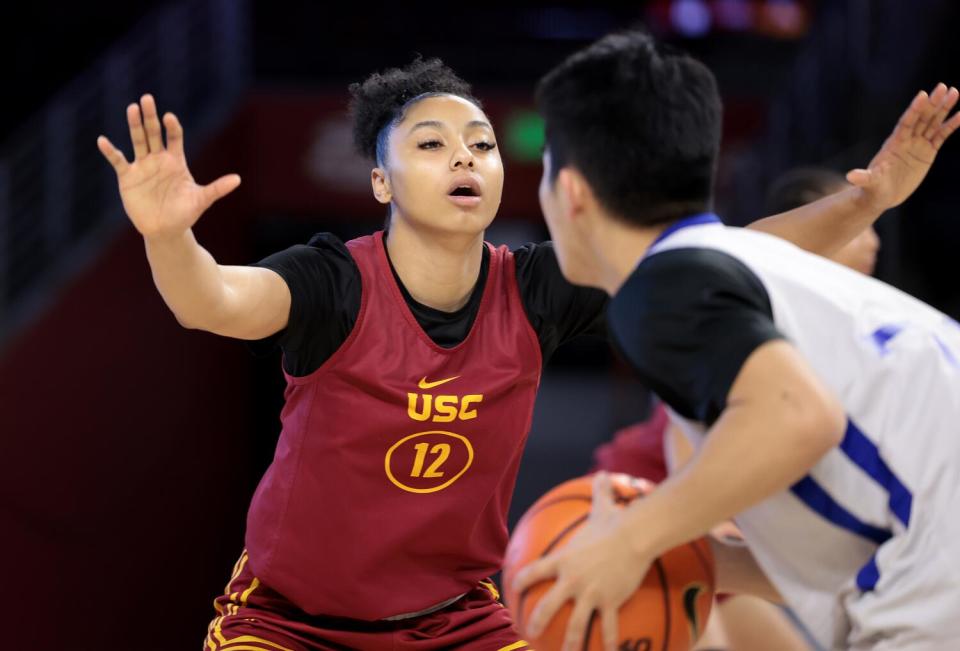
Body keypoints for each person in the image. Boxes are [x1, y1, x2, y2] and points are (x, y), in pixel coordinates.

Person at [96, 54, 939, 650]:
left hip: (458, 621)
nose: (464, 153)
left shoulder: (536, 287)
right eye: (430, 143)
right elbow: (211, 301)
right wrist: (171, 239)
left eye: (481, 144)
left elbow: (734, 249)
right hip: (291, 624)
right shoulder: (332, 281)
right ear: (381, 182)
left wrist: (865, 201)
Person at [513, 30, 960, 651]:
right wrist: (702, 556)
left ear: (571, 192)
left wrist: (628, 539)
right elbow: (835, 554)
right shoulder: (716, 265)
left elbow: (802, 416)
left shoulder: (659, 292)